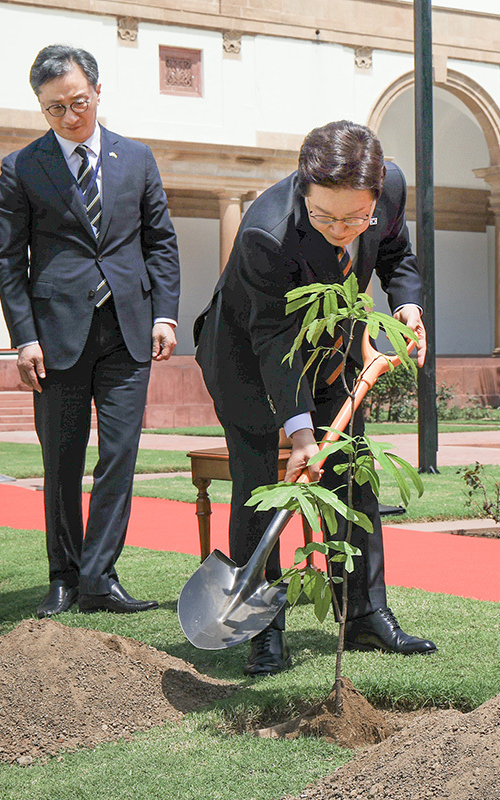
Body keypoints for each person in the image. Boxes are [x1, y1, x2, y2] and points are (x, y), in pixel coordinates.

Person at [194, 120, 435, 677]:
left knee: (352, 474)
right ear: (304, 190)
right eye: (326, 218)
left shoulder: (390, 188)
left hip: (332, 349)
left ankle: (364, 614)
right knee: (260, 489)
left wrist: (407, 307)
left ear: (376, 193)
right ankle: (263, 630)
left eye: (355, 218)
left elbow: (396, 253)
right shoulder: (266, 232)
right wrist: (300, 433)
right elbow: (274, 339)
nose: (341, 230)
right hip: (247, 362)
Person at [0, 44, 181, 619]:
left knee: (119, 458)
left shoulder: (137, 158)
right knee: (62, 464)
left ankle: (100, 578)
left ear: (97, 92)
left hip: (128, 331)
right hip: (55, 337)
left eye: (77, 102)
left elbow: (160, 242)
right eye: (55, 108)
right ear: (41, 107)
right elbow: (9, 259)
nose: (69, 115)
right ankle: (63, 576)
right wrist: (24, 337)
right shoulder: (22, 167)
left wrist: (165, 314)